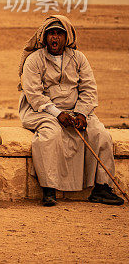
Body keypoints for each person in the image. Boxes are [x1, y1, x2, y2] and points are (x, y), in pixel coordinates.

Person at [19, 15, 123, 206]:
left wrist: (82, 113)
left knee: (100, 135)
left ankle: (102, 188)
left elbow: (89, 89)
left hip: (76, 111)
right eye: (51, 33)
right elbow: (34, 94)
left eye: (59, 33)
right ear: (44, 37)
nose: (55, 38)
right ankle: (49, 189)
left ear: (67, 37)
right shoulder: (34, 60)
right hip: (41, 111)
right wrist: (57, 113)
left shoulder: (79, 58)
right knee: (50, 136)